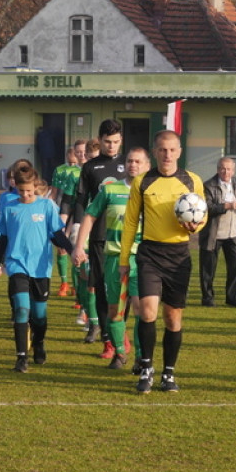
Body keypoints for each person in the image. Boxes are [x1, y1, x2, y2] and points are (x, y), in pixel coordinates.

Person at [119, 130, 205, 394]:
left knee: (172, 318)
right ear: (155, 152)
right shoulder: (143, 182)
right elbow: (131, 221)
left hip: (178, 256)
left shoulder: (192, 181)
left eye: (172, 150)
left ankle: (168, 374)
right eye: (162, 150)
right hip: (149, 254)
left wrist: (195, 227)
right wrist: (124, 259)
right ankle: (146, 368)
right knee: (147, 312)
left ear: (179, 151)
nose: (167, 155)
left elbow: (203, 216)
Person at [0, 165, 73, 373]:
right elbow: (2, 236)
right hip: (16, 265)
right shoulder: (9, 207)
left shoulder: (47, 206)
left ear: (36, 186)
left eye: (29, 190)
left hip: (40, 268)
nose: (25, 194)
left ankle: (38, 343)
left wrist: (72, 251)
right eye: (21, 191)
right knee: (22, 309)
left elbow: (58, 235)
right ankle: (21, 358)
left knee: (39, 316)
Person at [72, 147, 151, 369]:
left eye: (137, 162)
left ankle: (139, 357)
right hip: (115, 259)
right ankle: (119, 352)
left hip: (142, 259)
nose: (132, 165)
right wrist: (79, 246)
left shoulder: (151, 192)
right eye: (129, 161)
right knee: (115, 310)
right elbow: (89, 216)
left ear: (146, 166)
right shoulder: (110, 190)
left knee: (140, 310)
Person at [73, 121, 125, 350]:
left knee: (127, 291)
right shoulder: (90, 168)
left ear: (121, 140)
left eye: (115, 142)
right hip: (100, 238)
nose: (112, 146)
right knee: (103, 289)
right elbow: (82, 205)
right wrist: (79, 241)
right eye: (107, 142)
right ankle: (108, 340)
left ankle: (120, 333)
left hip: (128, 239)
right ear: (100, 140)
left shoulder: (131, 165)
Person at [199, 157, 236, 307]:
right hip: (213, 235)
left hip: (233, 234)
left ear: (233, 170)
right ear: (217, 169)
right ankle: (207, 299)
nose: (226, 172)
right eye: (223, 168)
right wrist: (226, 206)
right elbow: (207, 208)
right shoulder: (208, 185)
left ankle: (233, 298)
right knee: (208, 270)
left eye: (229, 169)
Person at [51, 140, 86, 297]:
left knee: (81, 249)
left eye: (83, 152)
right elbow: (61, 196)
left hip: (86, 214)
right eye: (77, 152)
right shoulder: (64, 171)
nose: (80, 156)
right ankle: (65, 283)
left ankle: (79, 289)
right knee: (63, 244)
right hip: (68, 208)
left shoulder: (93, 171)